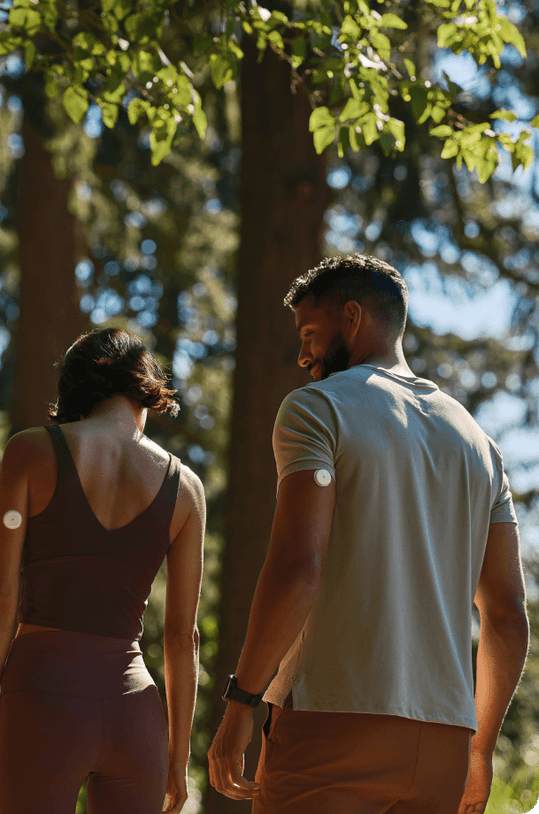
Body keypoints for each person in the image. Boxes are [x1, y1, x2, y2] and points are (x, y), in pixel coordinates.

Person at [208, 254, 530, 814]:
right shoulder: (479, 444)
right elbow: (506, 613)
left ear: (352, 317)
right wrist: (478, 751)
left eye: (311, 333)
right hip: (444, 742)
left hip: (332, 723)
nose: (304, 354)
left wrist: (241, 704)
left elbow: (297, 567)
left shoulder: (317, 409)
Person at [0, 327, 205, 814]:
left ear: (74, 391)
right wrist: (177, 755)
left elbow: (0, 595)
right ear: (145, 386)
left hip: (43, 694)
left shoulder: (31, 450)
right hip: (134, 712)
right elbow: (183, 637)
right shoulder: (186, 488)